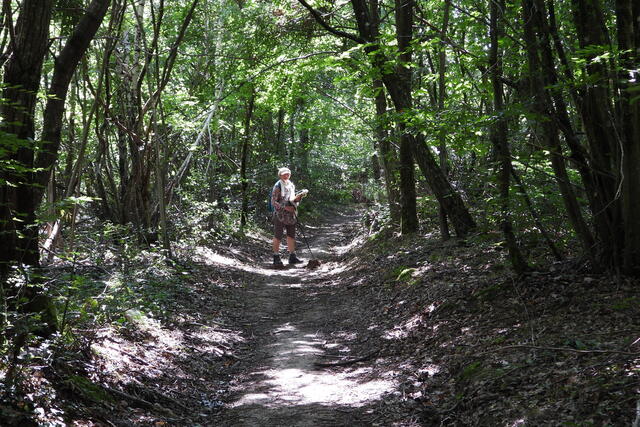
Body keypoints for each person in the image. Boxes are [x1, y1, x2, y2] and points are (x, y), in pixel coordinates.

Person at [271, 167, 304, 267]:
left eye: (288, 174)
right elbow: (273, 202)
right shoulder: (277, 186)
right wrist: (285, 208)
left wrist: (298, 199)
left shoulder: (291, 185)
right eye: (284, 174)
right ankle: (276, 257)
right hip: (280, 215)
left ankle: (292, 256)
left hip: (291, 215)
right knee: (278, 235)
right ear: (280, 175)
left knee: (291, 235)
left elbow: (292, 199)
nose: (286, 176)